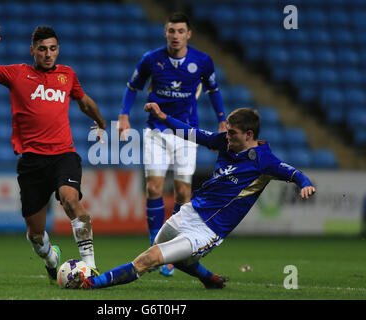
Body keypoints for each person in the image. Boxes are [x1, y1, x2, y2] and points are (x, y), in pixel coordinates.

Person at [66, 104, 316, 290]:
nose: (227, 136)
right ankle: (209, 278)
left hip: (207, 231)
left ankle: (90, 283)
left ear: (249, 135)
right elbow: (193, 134)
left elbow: (293, 172)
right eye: (227, 132)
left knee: (148, 259)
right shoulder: (225, 144)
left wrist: (304, 184)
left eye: (233, 133)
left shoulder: (264, 161)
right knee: (168, 255)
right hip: (189, 212)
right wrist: (165, 118)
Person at [0, 24, 106, 283]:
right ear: (33, 51)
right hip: (32, 162)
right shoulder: (17, 74)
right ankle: (52, 257)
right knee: (35, 234)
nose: (48, 54)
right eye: (42, 49)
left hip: (64, 154)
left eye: (52, 49)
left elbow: (83, 101)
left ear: (58, 50)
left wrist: (101, 122)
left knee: (69, 198)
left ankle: (91, 268)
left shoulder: (67, 75)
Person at [117, 12, 226, 276]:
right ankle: (156, 244)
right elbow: (132, 86)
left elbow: (213, 91)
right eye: (171, 31)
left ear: (188, 34)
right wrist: (123, 115)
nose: (175, 36)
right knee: (154, 187)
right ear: (165, 33)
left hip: (187, 133)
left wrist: (222, 121)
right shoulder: (151, 59)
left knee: (182, 194)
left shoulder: (202, 61)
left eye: (180, 31)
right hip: (157, 131)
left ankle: (172, 248)